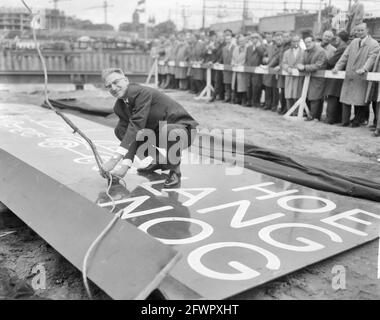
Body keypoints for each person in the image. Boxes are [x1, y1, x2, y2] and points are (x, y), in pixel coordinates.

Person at [101, 68, 199, 188]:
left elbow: (137, 125)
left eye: (116, 82)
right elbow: (131, 135)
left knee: (169, 131)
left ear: (126, 80)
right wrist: (124, 168)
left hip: (183, 131)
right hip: (158, 132)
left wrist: (114, 160)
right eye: (109, 86)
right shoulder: (119, 107)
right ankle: (160, 161)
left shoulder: (141, 93)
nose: (113, 88)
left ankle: (175, 172)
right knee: (120, 130)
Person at [333, 23, 380, 127]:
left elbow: (372, 58)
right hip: (350, 75)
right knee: (346, 99)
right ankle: (345, 121)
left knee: (360, 100)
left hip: (361, 76)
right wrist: (337, 67)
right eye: (357, 30)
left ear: (367, 30)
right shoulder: (354, 42)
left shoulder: (374, 44)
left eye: (361, 30)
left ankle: (357, 121)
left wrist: (364, 68)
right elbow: (345, 56)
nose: (359, 32)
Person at [297, 36, 327, 121]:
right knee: (307, 96)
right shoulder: (306, 51)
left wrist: (304, 67)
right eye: (306, 43)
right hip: (308, 78)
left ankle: (315, 116)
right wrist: (299, 66)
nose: (307, 44)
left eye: (309, 42)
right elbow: (301, 62)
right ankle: (308, 114)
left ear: (314, 42)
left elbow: (318, 65)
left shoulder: (321, 51)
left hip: (318, 79)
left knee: (315, 97)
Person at [324, 30, 349, 124]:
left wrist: (324, 61)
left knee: (332, 96)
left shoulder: (342, 48)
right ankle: (338, 119)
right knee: (337, 97)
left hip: (336, 77)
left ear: (341, 39)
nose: (336, 40)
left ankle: (330, 119)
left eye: (337, 38)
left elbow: (331, 62)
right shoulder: (344, 47)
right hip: (340, 77)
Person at [282, 34, 304, 112]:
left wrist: (300, 67)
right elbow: (283, 63)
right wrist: (288, 68)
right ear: (291, 42)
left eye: (297, 41)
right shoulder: (286, 52)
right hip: (289, 75)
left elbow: (305, 63)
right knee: (288, 94)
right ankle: (289, 111)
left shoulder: (304, 52)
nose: (295, 43)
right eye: (294, 41)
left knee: (297, 94)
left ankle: (297, 111)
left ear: (299, 41)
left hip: (299, 77)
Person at [263, 32, 283, 111]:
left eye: (280, 38)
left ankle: (274, 105)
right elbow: (264, 56)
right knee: (268, 88)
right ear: (274, 38)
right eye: (277, 38)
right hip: (268, 71)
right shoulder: (270, 47)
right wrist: (264, 59)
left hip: (277, 70)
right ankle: (268, 104)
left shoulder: (282, 48)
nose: (278, 40)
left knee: (275, 89)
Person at [245, 33, 265, 108]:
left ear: (258, 39)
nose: (254, 40)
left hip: (257, 70)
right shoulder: (249, 48)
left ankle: (256, 102)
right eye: (252, 38)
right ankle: (249, 101)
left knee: (256, 86)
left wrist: (257, 47)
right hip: (249, 69)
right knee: (249, 86)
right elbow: (247, 58)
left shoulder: (262, 47)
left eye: (255, 38)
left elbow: (262, 54)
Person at [231, 34, 249, 105]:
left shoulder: (247, 49)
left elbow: (247, 59)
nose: (241, 42)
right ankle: (237, 99)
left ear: (245, 41)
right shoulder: (236, 48)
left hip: (243, 70)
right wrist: (233, 63)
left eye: (242, 41)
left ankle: (243, 100)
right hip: (235, 69)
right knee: (235, 85)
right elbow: (233, 58)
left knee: (243, 86)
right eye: (240, 41)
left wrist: (242, 65)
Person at [221, 29, 236, 102]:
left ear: (231, 39)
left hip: (232, 68)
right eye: (226, 39)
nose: (228, 40)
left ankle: (232, 98)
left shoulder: (234, 47)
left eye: (229, 39)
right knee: (226, 83)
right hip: (225, 69)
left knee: (232, 84)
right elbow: (222, 58)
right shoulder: (223, 48)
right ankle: (227, 97)